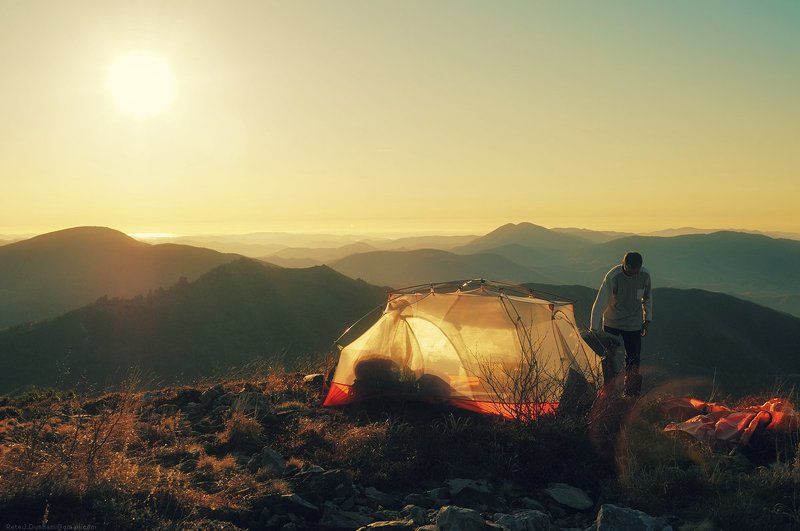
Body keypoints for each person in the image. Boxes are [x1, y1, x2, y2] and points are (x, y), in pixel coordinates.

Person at [589, 251, 652, 397]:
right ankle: (609, 391)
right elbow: (600, 302)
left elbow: (647, 297)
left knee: (634, 358)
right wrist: (594, 328)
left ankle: (632, 393)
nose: (633, 274)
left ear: (640, 267)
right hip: (613, 321)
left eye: (636, 270)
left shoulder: (644, 275)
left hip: (634, 323)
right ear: (624, 264)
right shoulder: (613, 276)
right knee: (608, 357)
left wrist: (647, 320)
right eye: (631, 271)